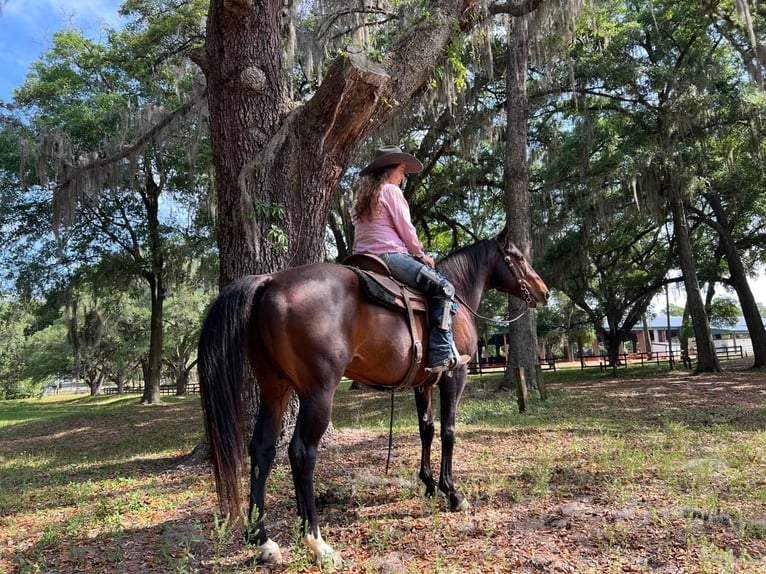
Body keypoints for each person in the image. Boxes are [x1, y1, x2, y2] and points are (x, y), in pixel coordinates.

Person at [351, 144, 461, 373]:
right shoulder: (391, 191)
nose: (403, 176)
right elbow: (407, 230)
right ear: (391, 169)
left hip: (362, 259)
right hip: (390, 257)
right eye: (401, 170)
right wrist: (421, 254)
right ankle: (441, 353)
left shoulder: (363, 199)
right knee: (445, 289)